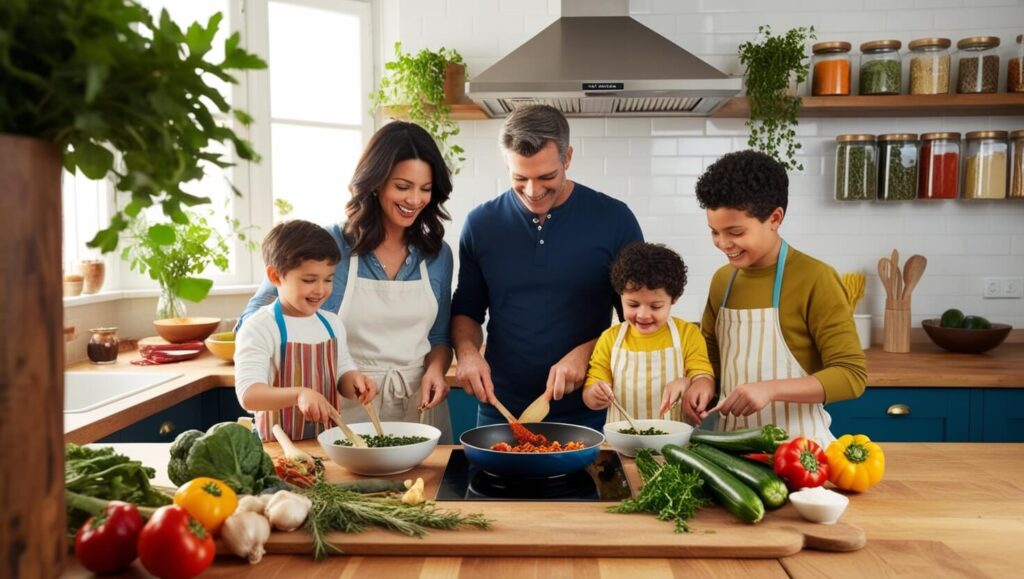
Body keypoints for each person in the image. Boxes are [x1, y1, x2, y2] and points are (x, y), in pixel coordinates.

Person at [239, 121, 456, 442]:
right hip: (346, 408)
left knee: (423, 491)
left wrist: (437, 370)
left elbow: (439, 336)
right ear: (375, 183)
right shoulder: (331, 244)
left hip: (419, 407)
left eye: (425, 189)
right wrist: (294, 386)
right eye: (402, 186)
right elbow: (255, 317)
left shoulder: (437, 254)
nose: (415, 199)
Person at [451, 104, 644, 431]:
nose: (532, 191)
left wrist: (585, 355)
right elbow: (467, 310)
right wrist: (468, 353)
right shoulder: (481, 224)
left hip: (594, 410)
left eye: (546, 177)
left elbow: (638, 320)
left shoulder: (614, 220)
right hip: (501, 411)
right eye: (519, 178)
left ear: (567, 158)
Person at [684, 150, 867, 448]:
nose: (723, 244)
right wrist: (701, 381)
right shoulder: (723, 280)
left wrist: (770, 390)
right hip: (732, 453)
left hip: (800, 453)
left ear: (774, 218)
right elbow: (709, 356)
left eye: (735, 231)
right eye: (714, 232)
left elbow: (851, 375)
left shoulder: (816, 278)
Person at [235, 220, 377, 441]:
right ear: (275, 277)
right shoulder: (260, 326)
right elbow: (249, 395)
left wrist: (356, 383)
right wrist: (299, 394)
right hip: (278, 450)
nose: (320, 290)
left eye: (328, 279)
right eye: (309, 280)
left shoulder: (332, 324)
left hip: (329, 444)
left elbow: (342, 373)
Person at [582, 242, 714, 423]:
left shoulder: (687, 334)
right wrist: (594, 395)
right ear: (620, 295)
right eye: (633, 305)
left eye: (655, 306)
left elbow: (704, 379)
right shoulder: (610, 339)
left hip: (675, 444)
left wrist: (688, 383)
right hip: (621, 444)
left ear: (674, 299)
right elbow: (591, 391)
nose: (643, 315)